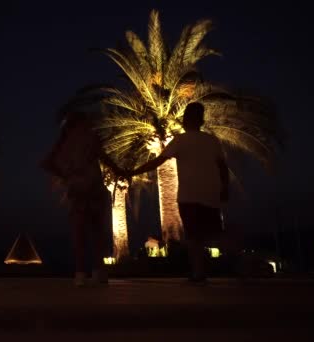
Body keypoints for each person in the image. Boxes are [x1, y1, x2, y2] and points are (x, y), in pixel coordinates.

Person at [129, 102, 229, 284]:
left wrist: (132, 172)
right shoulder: (211, 141)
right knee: (213, 233)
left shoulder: (181, 141)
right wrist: (225, 189)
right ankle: (233, 265)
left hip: (189, 195)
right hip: (211, 193)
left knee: (194, 235)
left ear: (187, 120)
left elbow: (157, 162)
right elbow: (223, 168)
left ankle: (199, 273)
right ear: (201, 120)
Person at [41, 111, 127, 287]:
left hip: (77, 189)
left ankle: (81, 274)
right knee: (97, 231)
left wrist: (66, 176)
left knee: (79, 232)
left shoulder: (64, 142)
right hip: (94, 187)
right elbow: (104, 157)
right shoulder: (90, 137)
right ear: (82, 123)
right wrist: (120, 171)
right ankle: (98, 272)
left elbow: (47, 163)